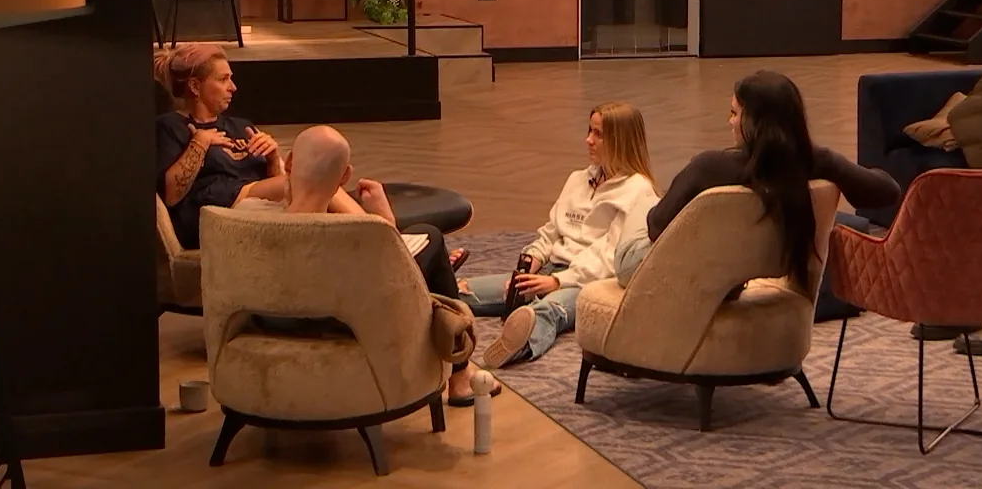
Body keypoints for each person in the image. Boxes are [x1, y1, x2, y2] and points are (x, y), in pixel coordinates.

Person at [240, 125, 502, 407]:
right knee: (431, 238)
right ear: (345, 176)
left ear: (289, 161)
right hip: (332, 328)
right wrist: (385, 220)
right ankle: (460, 376)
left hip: (265, 322)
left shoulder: (245, 216)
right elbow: (392, 275)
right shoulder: (358, 236)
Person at [614, 71, 901, 304]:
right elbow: (888, 191)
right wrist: (832, 165)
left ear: (754, 122)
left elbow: (656, 226)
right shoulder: (817, 163)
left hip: (660, 270)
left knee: (640, 193)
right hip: (749, 275)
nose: (730, 121)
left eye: (734, 113)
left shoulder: (708, 168)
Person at [462, 102, 660, 368]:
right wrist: (533, 259)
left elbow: (609, 256)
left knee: (550, 310)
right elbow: (551, 231)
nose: (588, 140)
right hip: (551, 271)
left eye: (599, 134)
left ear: (621, 140)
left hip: (589, 283)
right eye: (589, 130)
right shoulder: (577, 179)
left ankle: (520, 341)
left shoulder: (639, 191)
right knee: (463, 290)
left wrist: (557, 282)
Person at [154, 44, 286, 249]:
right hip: (219, 214)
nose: (233, 87)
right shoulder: (170, 127)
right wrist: (200, 143)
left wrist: (272, 158)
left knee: (318, 170)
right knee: (311, 178)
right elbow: (170, 197)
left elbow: (277, 182)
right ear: (195, 86)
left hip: (264, 206)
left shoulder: (241, 126)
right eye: (223, 79)